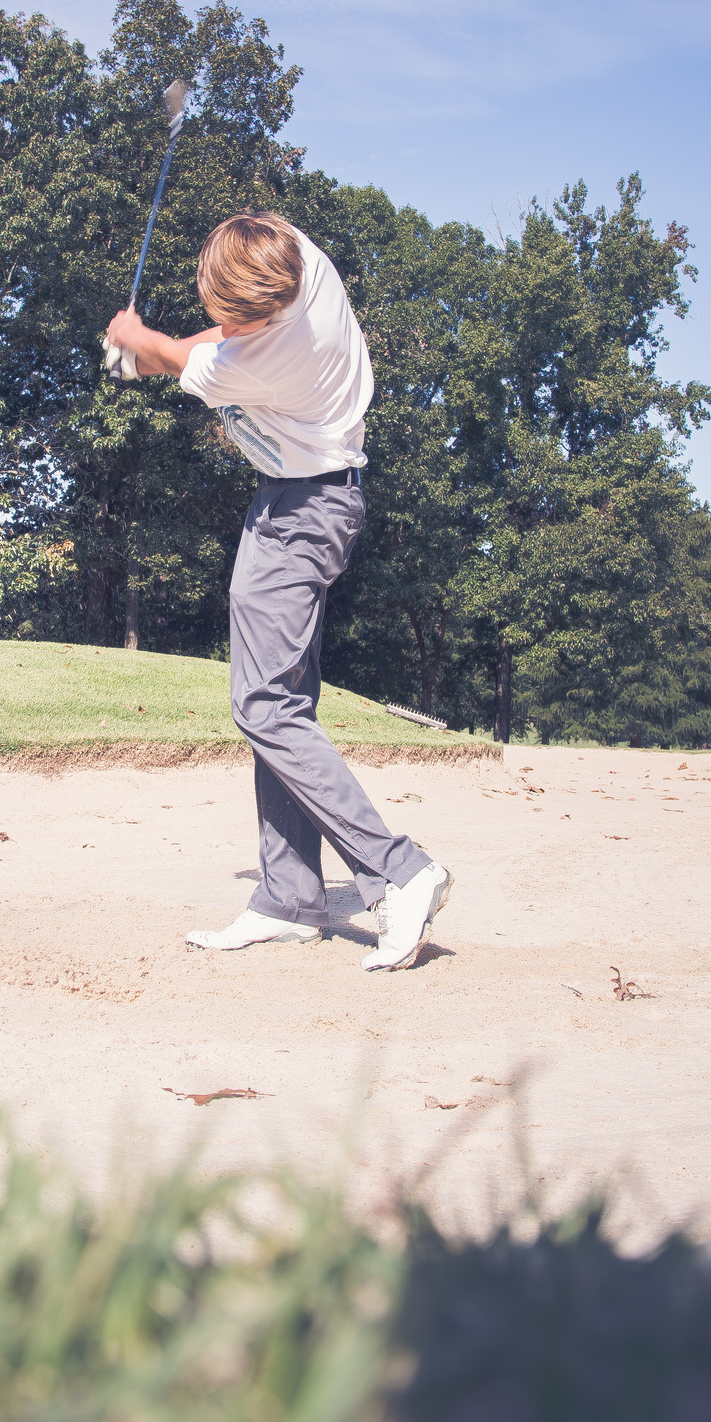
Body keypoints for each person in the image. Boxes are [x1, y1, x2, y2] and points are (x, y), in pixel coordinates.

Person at [105, 210, 452, 971]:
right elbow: (217, 336)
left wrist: (136, 344)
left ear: (257, 313)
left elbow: (183, 356)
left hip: (302, 512)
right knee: (282, 703)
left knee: (261, 704)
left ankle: (399, 869)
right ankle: (288, 896)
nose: (220, 318)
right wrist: (149, 347)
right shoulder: (297, 253)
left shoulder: (262, 358)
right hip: (309, 498)